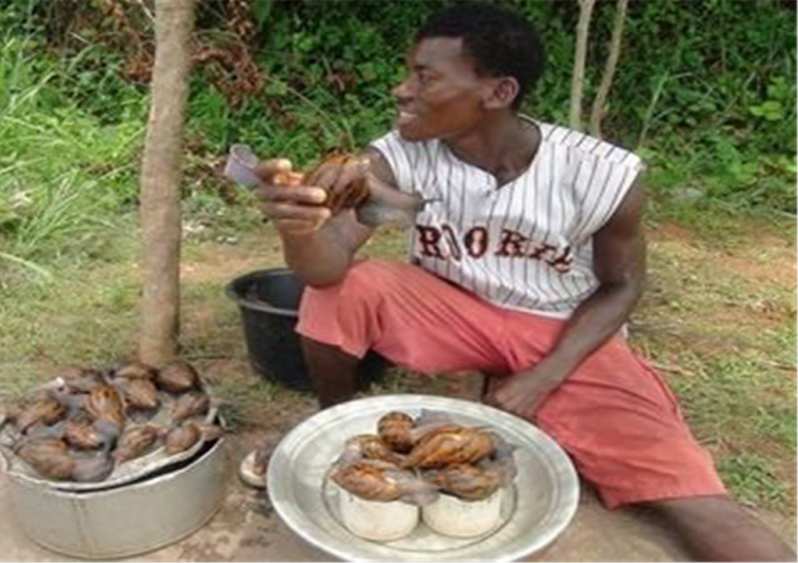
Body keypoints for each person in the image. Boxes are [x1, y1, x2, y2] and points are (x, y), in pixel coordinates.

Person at [240, 2, 795, 561]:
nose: (402, 90)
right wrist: (300, 227)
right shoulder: (401, 157)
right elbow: (326, 267)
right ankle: (333, 424)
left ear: (498, 92)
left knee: (690, 496)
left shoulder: (602, 173)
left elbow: (622, 286)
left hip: (561, 329)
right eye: (408, 71)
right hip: (453, 310)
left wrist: (544, 377)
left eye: (425, 76)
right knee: (350, 288)